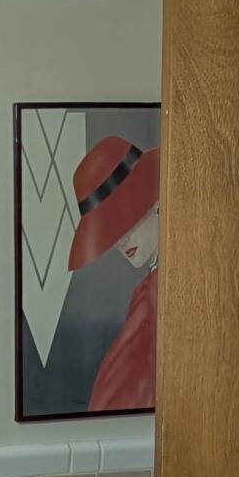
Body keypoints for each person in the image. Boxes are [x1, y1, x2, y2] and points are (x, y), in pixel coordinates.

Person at [66, 134, 161, 413]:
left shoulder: (151, 297)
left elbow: (109, 406)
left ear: (158, 202)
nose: (121, 240)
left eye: (128, 219)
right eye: (112, 229)